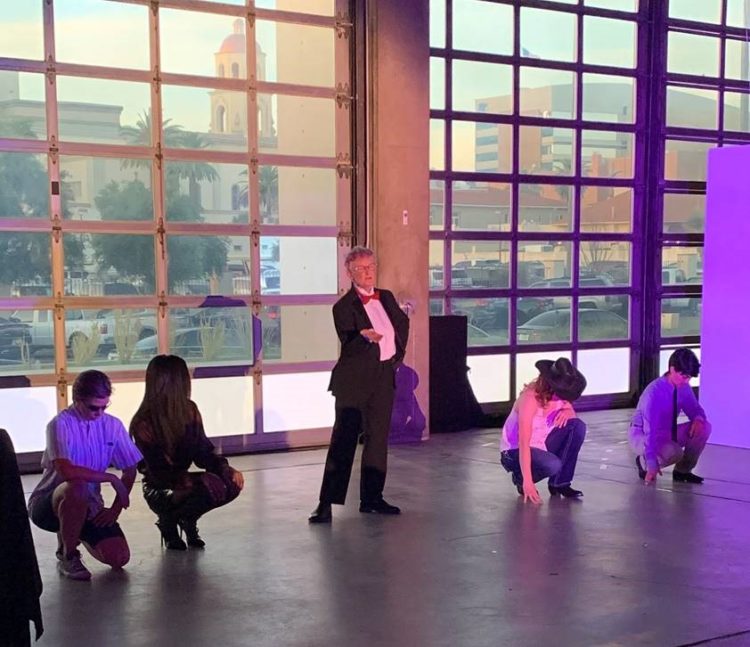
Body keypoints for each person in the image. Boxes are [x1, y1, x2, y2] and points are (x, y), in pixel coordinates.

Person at [309, 246, 410, 523]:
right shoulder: (343, 307)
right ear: (349, 272)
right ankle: (325, 503)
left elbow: (401, 326)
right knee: (343, 441)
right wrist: (362, 337)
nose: (368, 272)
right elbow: (348, 343)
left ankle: (372, 499)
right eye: (361, 268)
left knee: (378, 440)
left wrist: (395, 359)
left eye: (371, 266)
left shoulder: (386, 297)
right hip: (353, 381)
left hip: (382, 376)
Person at [27, 370, 141, 581]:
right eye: (93, 407)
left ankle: (73, 529)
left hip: (90, 503)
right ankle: (67, 554)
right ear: (77, 400)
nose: (99, 413)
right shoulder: (59, 424)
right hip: (48, 503)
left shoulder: (113, 425)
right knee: (76, 487)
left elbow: (130, 468)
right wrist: (110, 478)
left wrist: (114, 509)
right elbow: (66, 471)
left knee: (119, 558)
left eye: (104, 407)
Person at [130, 355, 244, 550]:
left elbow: (203, 450)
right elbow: (159, 471)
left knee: (231, 483)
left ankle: (185, 518)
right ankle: (169, 520)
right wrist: (199, 479)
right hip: (160, 487)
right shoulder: (144, 422)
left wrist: (224, 469)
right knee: (198, 486)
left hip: (182, 481)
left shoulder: (189, 410)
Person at [500, 358, 588, 503]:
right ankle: (520, 477)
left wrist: (567, 412)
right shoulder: (530, 399)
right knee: (552, 464)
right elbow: (523, 443)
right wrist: (527, 482)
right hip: (515, 451)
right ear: (551, 387)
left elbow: (570, 413)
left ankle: (559, 483)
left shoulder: (562, 397)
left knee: (577, 426)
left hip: (541, 443)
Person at [630, 347, 710, 485]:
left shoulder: (683, 387)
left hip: (667, 432)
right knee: (675, 452)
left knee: (704, 427)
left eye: (689, 377)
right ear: (672, 369)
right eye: (684, 376)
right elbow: (650, 431)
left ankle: (682, 471)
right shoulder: (654, 393)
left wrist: (698, 419)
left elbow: (695, 409)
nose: (686, 381)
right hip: (643, 436)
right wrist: (651, 463)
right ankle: (643, 463)